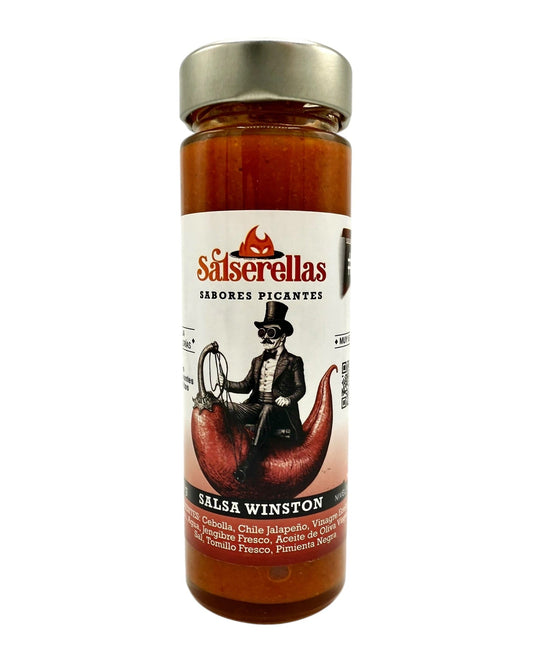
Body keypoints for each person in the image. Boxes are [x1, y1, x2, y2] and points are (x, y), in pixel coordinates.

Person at [219, 301, 306, 482]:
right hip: (257, 406)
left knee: (268, 409)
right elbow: (246, 386)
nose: (266, 337)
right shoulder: (257, 361)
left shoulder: (293, 361)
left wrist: (288, 399)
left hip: (280, 411)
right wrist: (225, 383)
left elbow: (300, 388)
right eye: (262, 332)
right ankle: (224, 456)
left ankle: (250, 462)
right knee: (224, 407)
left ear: (282, 337)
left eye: (271, 333)